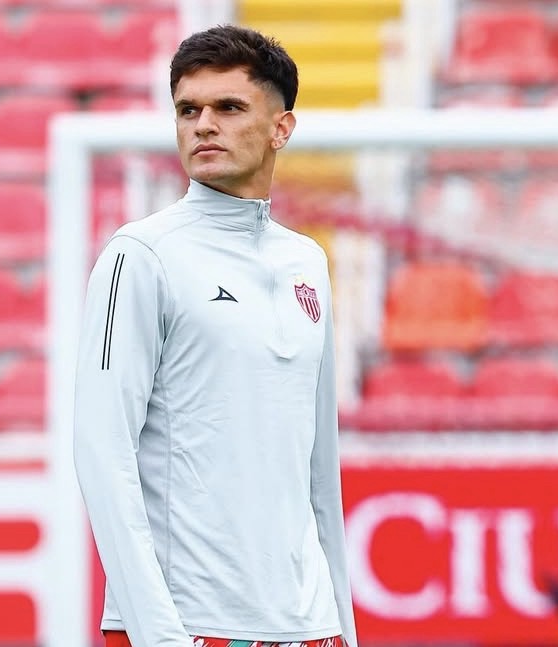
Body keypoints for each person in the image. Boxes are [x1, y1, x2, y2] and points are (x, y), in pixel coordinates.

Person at [72, 24, 358, 647]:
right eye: (188, 110)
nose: (203, 125)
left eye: (228, 108)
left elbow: (319, 471)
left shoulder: (307, 263)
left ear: (281, 128)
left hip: (311, 626)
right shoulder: (140, 255)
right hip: (191, 626)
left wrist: (343, 625)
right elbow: (101, 452)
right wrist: (158, 634)